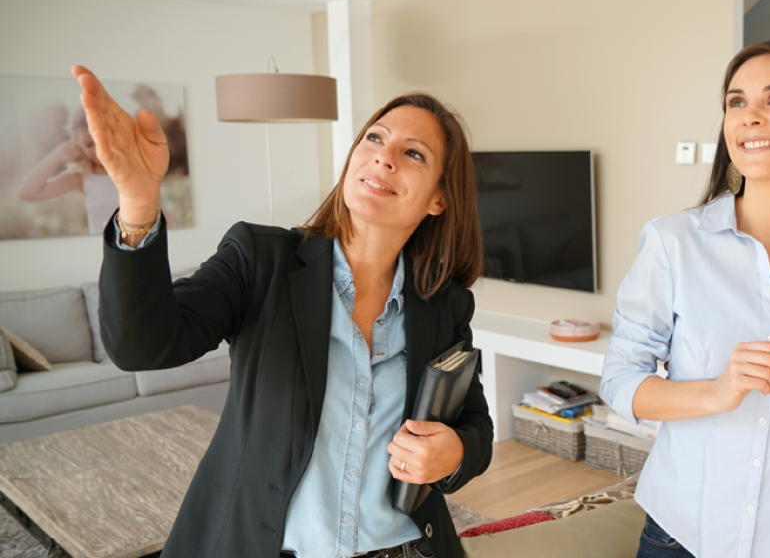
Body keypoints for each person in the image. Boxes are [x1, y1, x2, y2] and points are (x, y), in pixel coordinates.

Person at [74, 64, 492, 558]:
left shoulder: (444, 303)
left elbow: (476, 426)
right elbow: (143, 346)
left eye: (413, 153)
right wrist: (138, 204)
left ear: (439, 199)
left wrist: (455, 452)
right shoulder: (260, 259)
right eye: (375, 138)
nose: (384, 157)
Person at [600, 39, 770, 558]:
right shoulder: (672, 242)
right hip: (682, 535)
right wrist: (714, 394)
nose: (749, 116)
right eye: (736, 102)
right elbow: (619, 379)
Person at [19, 108, 120, 234]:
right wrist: (56, 156)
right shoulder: (82, 177)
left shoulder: (135, 169)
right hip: (101, 244)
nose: (98, 151)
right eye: (88, 144)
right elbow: (27, 194)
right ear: (78, 145)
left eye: (104, 141)